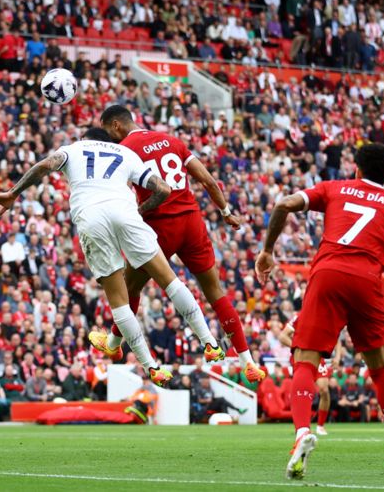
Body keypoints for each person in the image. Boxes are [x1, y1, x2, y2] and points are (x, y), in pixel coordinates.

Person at [0, 128, 225, 387]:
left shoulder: (73, 149)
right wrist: (138, 210)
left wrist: (13, 193)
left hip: (91, 217)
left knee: (119, 299)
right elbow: (163, 189)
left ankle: (151, 367)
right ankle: (209, 343)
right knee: (170, 280)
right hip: (124, 211)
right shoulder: (125, 152)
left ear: (85, 139)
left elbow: (45, 165)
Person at [255, 144, 384, 478]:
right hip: (367, 281)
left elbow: (283, 204)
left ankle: (302, 433)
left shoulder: (334, 188)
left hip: (327, 276)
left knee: (305, 360)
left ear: (356, 170)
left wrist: (267, 250)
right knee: (380, 371)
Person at [97, 105, 265, 382]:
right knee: (215, 292)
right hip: (192, 222)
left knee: (129, 287)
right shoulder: (172, 140)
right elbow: (208, 180)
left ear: (115, 125)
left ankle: (113, 344)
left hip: (159, 226)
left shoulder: (124, 150)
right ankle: (248, 362)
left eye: (107, 131)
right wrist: (225, 213)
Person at [279, 315, 341, 435]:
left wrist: (337, 357)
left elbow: (336, 338)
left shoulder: (326, 318)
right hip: (300, 357)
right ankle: (301, 426)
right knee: (302, 391)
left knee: (324, 390)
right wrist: (299, 348)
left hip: (317, 356)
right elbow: (282, 336)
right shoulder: (299, 317)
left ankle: (320, 426)